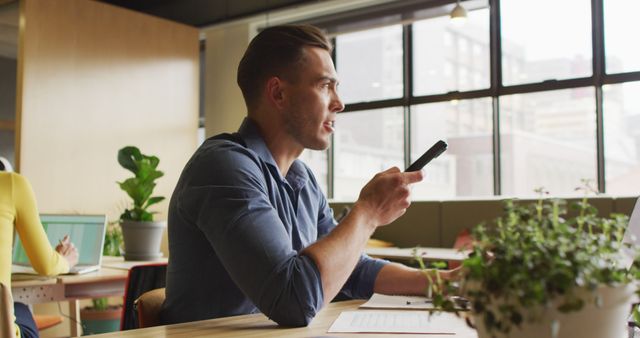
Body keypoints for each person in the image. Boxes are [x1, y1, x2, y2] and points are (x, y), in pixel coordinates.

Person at [161, 24, 457, 326]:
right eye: (325, 86)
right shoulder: (223, 167)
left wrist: (446, 282)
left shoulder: (301, 178)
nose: (339, 103)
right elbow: (293, 301)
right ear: (278, 93)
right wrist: (367, 213)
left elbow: (350, 268)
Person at [0, 165, 78, 338]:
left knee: (18, 308)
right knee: (20, 310)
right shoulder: (11, 184)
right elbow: (46, 266)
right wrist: (66, 260)